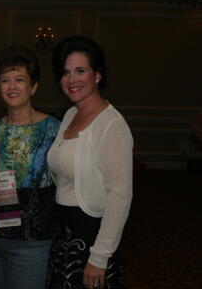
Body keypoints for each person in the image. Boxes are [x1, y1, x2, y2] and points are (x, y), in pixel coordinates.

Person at [47, 35, 133, 289]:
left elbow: (120, 195)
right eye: (65, 73)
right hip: (63, 237)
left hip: (93, 239)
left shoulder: (111, 124)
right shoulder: (70, 114)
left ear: (97, 75)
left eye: (80, 71)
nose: (72, 80)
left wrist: (100, 256)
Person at [0, 46, 60, 289]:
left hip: (32, 242)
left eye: (19, 79)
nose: (12, 86)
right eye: (5, 80)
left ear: (33, 86)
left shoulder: (54, 130)